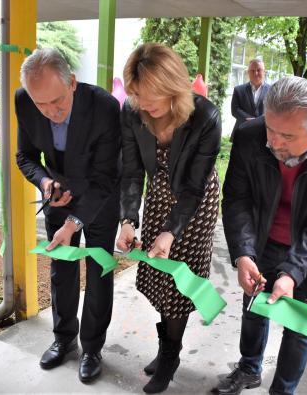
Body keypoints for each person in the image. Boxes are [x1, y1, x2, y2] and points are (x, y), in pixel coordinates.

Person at [215, 76, 307, 395]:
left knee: (299, 327)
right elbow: (238, 198)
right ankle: (249, 367)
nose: (275, 143)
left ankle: (283, 390)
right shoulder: (250, 136)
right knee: (254, 308)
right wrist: (243, 253)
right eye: (271, 129)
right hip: (262, 241)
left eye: (288, 136)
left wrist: (292, 273)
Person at [116, 43, 221, 394]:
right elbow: (131, 172)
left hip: (196, 204)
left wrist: (171, 232)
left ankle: (170, 356)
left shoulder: (205, 116)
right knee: (159, 278)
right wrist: (128, 219)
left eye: (151, 98)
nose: (144, 106)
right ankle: (165, 349)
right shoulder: (133, 113)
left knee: (179, 285)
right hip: (159, 196)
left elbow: (193, 186)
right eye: (137, 97)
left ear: (173, 87)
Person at [15, 48, 121, 382]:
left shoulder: (104, 107)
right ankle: (64, 339)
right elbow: (25, 157)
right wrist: (45, 182)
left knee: (98, 271)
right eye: (40, 105)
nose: (50, 112)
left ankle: (92, 347)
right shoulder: (24, 101)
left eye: (57, 102)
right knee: (61, 268)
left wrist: (76, 223)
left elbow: (107, 177)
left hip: (99, 197)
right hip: (58, 196)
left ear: (72, 82)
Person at [230, 58, 271, 140]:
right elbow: (235, 109)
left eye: (259, 70)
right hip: (242, 132)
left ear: (264, 72)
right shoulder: (238, 90)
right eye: (252, 71)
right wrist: (249, 119)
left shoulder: (273, 90)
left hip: (264, 133)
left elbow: (274, 109)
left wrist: (258, 121)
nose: (256, 73)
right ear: (248, 72)